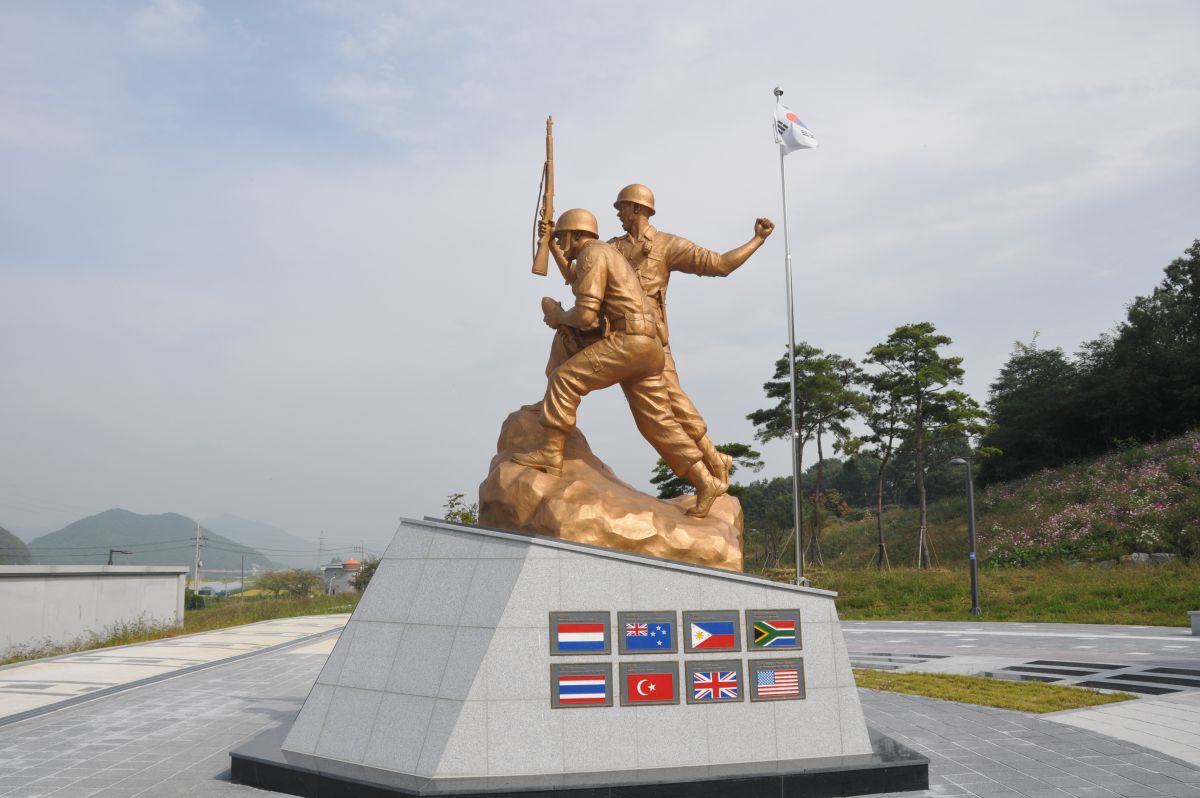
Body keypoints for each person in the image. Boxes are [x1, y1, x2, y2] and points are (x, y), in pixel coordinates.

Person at [512, 209, 725, 517]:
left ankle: (550, 453)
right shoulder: (604, 252)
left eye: (561, 238)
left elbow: (586, 316)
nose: (560, 244)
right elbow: (576, 281)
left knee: (564, 378)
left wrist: (559, 316)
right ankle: (705, 482)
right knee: (657, 424)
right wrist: (552, 248)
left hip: (628, 341)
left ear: (575, 235)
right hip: (649, 347)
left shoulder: (592, 253)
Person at [610, 184, 775, 485]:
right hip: (617, 337)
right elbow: (582, 275)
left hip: (651, 339)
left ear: (637, 208)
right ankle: (713, 461)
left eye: (621, 207)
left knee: (672, 403)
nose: (618, 213)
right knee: (657, 414)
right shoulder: (613, 248)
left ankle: (712, 462)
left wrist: (757, 240)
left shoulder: (667, 244)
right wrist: (555, 246)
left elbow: (719, 265)